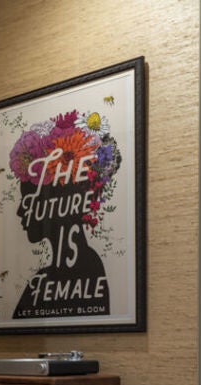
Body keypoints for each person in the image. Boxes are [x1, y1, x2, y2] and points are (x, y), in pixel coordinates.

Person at [9, 110, 120, 321]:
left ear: (54, 205)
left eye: (27, 201)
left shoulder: (87, 268)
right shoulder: (43, 280)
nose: (20, 211)